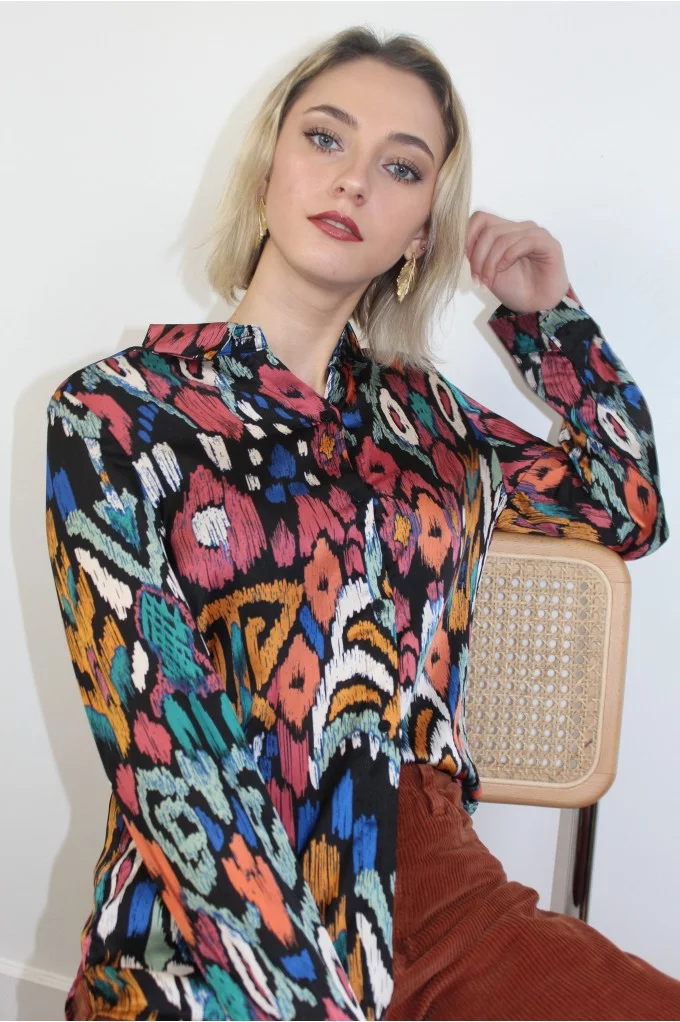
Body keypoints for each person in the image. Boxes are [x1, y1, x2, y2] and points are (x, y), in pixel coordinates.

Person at [44, 24, 678, 1022]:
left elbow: (626, 504)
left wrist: (546, 315)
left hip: (438, 903)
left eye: (400, 167)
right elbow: (167, 745)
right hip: (210, 912)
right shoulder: (116, 411)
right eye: (325, 137)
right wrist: (305, 994)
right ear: (268, 168)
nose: (352, 181)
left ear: (419, 232)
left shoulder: (430, 423)